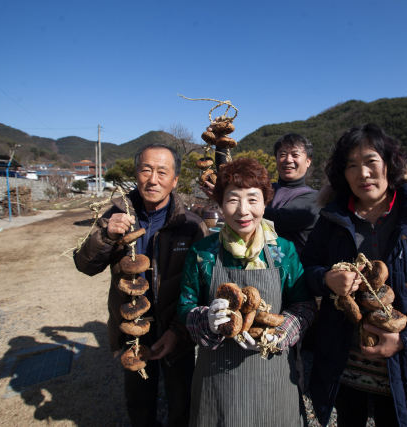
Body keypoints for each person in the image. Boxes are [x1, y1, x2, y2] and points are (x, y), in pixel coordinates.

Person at [300, 124, 407, 427]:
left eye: (370, 161)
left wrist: (404, 338)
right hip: (345, 362)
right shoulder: (331, 220)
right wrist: (326, 278)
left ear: (389, 164)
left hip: (406, 363)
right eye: (351, 165)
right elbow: (306, 268)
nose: (362, 173)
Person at [74, 143, 208, 427]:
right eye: (146, 169)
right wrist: (107, 235)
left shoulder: (192, 226)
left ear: (174, 180)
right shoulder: (115, 217)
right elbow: (85, 265)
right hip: (133, 327)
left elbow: (203, 288)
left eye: (162, 171)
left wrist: (178, 331)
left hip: (176, 329)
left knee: (182, 400)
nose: (153, 178)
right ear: (136, 173)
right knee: (138, 401)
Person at [177, 157, 317, 427]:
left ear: (265, 203)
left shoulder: (282, 251)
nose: (243, 211)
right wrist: (205, 319)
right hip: (217, 381)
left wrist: (280, 334)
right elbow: (185, 304)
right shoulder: (203, 253)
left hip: (272, 375)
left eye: (253, 199)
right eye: (232, 200)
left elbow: (305, 305)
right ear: (220, 203)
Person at [200, 133, 319, 253]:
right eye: (282, 154)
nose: (288, 160)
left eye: (295, 155)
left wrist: (230, 200)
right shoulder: (266, 189)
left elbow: (278, 221)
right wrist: (221, 141)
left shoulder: (315, 199)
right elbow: (231, 179)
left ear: (308, 161)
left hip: (288, 266)